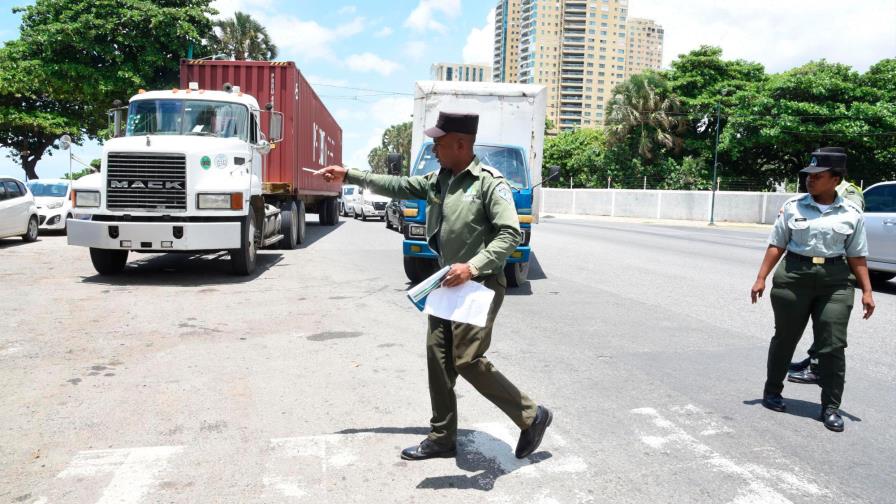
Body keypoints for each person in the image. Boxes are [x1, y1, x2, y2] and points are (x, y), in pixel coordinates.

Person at [316, 112, 552, 460]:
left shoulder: (489, 183)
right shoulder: (439, 180)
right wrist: (349, 173)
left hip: (480, 284)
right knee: (438, 360)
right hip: (445, 284)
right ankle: (442, 438)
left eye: (439, 143)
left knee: (466, 359)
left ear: (460, 143)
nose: (434, 148)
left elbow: (510, 233)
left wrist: (472, 268)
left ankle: (531, 415)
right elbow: (397, 186)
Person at [751, 147, 875, 432]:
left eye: (817, 176)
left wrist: (867, 291)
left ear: (835, 179)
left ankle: (830, 407)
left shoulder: (851, 213)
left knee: (832, 344)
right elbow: (777, 245)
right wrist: (761, 278)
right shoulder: (794, 206)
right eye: (808, 175)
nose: (810, 180)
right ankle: (772, 391)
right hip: (794, 277)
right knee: (785, 338)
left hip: (835, 282)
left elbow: (857, 256)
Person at [787, 148, 865, 385]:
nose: (813, 175)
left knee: (829, 327)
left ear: (835, 174)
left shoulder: (848, 194)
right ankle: (813, 359)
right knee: (821, 324)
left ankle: (818, 368)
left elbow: (849, 231)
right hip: (814, 269)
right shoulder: (814, 193)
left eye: (819, 169)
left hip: (835, 268)